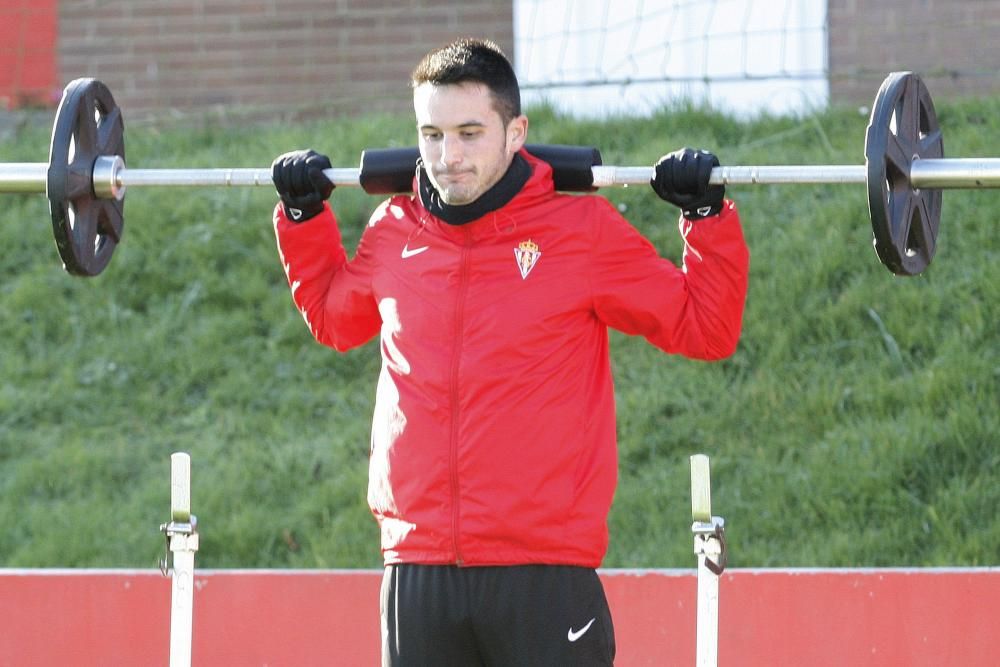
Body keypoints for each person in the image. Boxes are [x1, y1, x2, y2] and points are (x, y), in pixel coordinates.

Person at [271, 38, 749, 667]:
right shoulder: (394, 230)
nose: (449, 157)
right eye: (432, 134)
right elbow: (335, 318)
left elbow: (704, 327)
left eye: (470, 133)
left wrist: (706, 213)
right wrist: (303, 216)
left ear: (515, 131)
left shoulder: (581, 232)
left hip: (541, 572)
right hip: (419, 569)